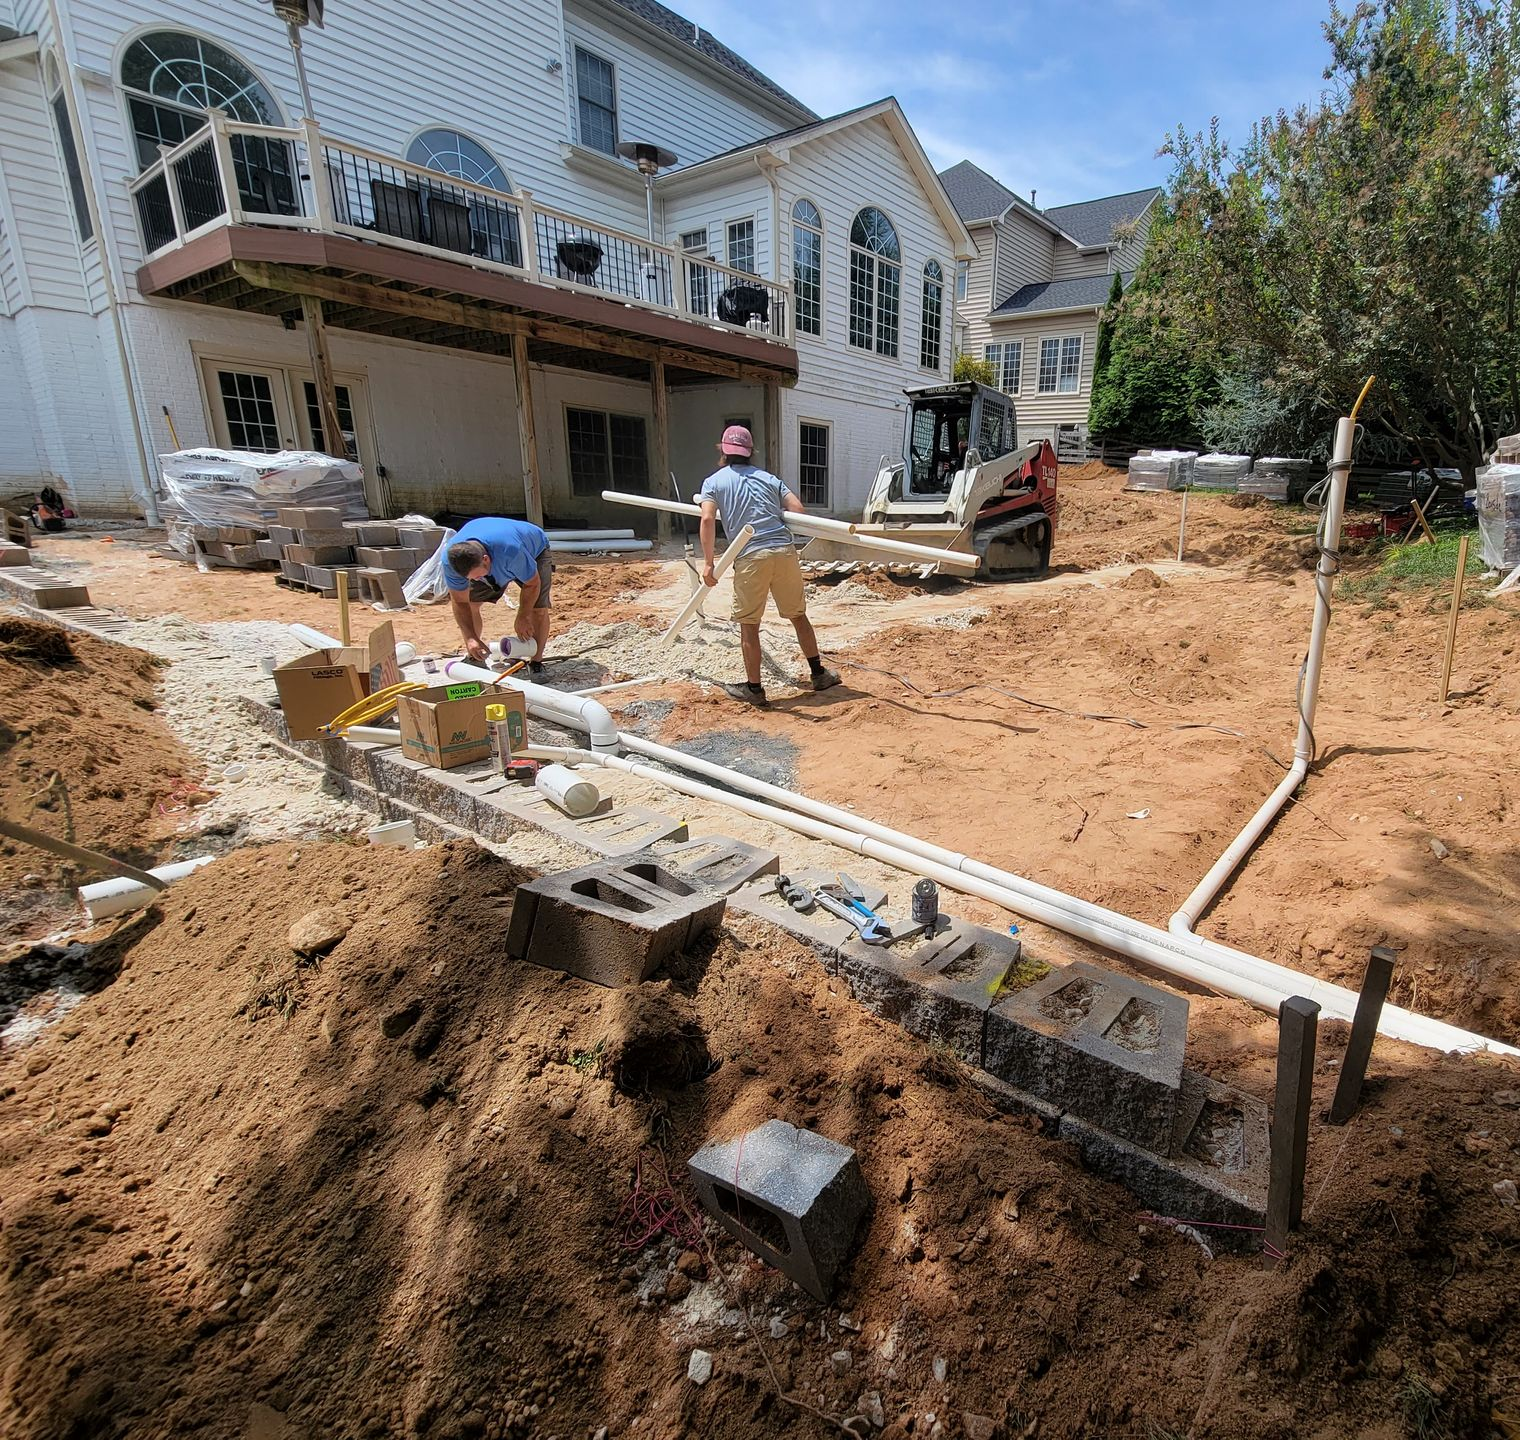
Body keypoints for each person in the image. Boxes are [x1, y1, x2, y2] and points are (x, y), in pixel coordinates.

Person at [698, 424, 840, 707]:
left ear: (723, 451)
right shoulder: (769, 479)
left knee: (749, 624)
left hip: (751, 555)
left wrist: (709, 563)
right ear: (750, 452)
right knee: (798, 615)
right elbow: (797, 511)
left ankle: (754, 689)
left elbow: (706, 519)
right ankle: (819, 674)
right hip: (784, 552)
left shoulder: (714, 481)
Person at [443, 517, 553, 671]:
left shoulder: (511, 551)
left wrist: (523, 615)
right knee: (471, 603)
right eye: (470, 578)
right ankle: (475, 657)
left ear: (486, 560)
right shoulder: (451, 562)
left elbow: (532, 584)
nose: (474, 580)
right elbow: (460, 602)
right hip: (494, 558)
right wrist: (470, 637)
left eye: (476, 576)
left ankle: (536, 663)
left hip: (534, 549)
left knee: (538, 609)